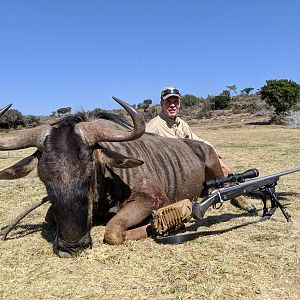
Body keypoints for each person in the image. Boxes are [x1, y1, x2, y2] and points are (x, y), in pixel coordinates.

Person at [146, 86, 256, 212]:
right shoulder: (152, 127)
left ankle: (234, 191)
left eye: (175, 102)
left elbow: (197, 140)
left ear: (179, 104)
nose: (172, 105)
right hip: (172, 175)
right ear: (161, 103)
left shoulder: (181, 123)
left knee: (218, 161)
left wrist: (214, 152)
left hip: (189, 166)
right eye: (168, 102)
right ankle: (231, 191)